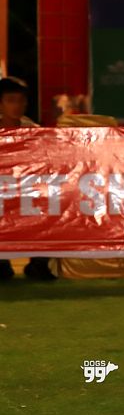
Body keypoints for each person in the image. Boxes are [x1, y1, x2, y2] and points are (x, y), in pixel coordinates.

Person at [0, 77, 54, 281]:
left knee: (50, 207)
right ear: (1, 104)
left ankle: (39, 264)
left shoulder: (34, 130)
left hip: (27, 191)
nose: (16, 106)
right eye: (10, 100)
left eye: (21, 101)